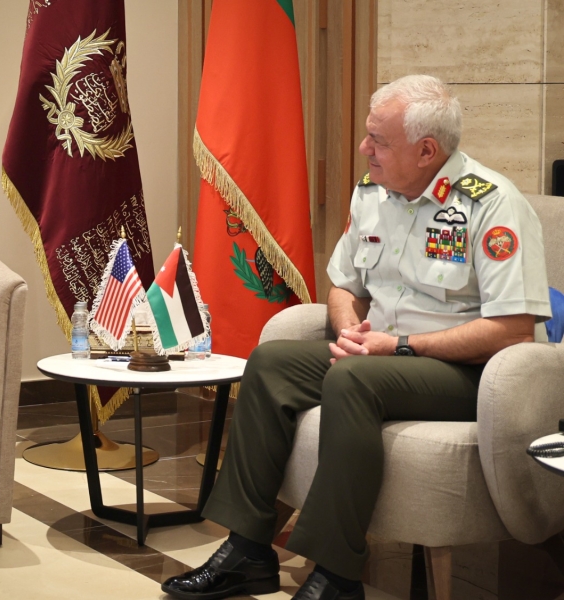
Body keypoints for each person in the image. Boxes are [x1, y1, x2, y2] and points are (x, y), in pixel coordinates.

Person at [162, 74, 551, 600]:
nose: (364, 148)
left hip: (468, 375)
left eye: (379, 140)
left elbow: (513, 331)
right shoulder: (373, 193)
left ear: (427, 150)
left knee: (354, 380)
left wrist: (402, 346)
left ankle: (336, 576)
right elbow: (345, 285)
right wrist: (348, 330)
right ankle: (247, 551)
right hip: (381, 356)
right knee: (271, 363)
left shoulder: (493, 205)